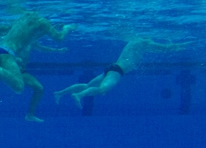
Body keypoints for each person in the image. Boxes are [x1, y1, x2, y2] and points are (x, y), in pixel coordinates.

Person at [55, 37, 190, 108]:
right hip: (117, 71)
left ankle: (60, 93)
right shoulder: (144, 42)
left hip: (113, 67)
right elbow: (164, 48)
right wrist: (180, 45)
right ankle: (78, 95)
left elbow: (155, 49)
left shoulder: (134, 42)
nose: (151, 41)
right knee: (102, 90)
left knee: (87, 85)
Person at [0, 11, 75, 96]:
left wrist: (48, 32)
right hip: (6, 53)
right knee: (19, 87)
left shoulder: (22, 20)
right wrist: (67, 28)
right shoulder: (43, 22)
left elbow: (29, 39)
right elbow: (59, 38)